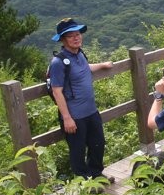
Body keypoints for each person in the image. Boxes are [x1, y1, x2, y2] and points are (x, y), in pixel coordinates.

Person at [49, 18, 115, 183]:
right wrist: (67, 118)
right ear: (63, 40)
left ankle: (96, 175)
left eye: (77, 34)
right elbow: (57, 91)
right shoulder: (58, 63)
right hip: (74, 115)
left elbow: (85, 68)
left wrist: (103, 65)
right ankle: (84, 182)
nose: (76, 38)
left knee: (98, 143)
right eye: (70, 36)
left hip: (91, 110)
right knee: (78, 150)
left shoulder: (79, 54)